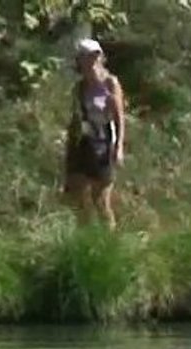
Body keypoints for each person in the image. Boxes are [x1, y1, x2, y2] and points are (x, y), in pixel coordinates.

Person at [63, 38, 126, 230]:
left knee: (100, 200)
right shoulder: (79, 88)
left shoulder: (110, 83)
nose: (92, 61)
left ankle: (109, 245)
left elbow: (119, 117)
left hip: (104, 142)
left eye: (95, 56)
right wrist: (69, 145)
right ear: (80, 60)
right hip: (84, 142)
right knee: (78, 196)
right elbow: (76, 118)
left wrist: (119, 146)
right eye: (87, 57)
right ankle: (84, 240)